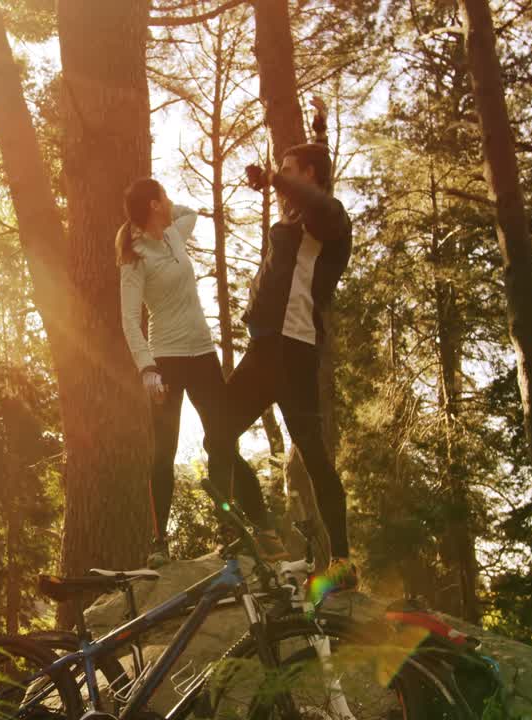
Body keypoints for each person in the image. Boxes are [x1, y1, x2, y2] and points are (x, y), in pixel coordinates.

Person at [228, 99, 357, 586]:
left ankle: (342, 561)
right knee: (218, 434)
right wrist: (318, 131)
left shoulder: (329, 220)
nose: (280, 178)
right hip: (264, 350)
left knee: (316, 458)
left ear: (306, 176)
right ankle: (261, 533)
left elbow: (319, 198)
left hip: (294, 350)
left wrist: (275, 176)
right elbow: (313, 176)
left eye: (288, 171)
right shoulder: (296, 217)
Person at [118, 178, 279, 567]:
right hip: (167, 360)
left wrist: (156, 219)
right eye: (165, 196)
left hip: (203, 353)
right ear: (155, 204)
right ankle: (159, 543)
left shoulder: (174, 234)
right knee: (164, 452)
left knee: (222, 439)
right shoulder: (136, 256)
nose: (171, 201)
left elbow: (189, 213)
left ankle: (231, 527)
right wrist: (147, 369)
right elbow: (128, 319)